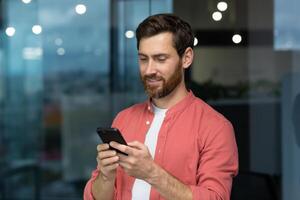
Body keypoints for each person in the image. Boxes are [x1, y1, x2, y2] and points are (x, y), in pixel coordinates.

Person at [84, 13, 238, 200]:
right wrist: (106, 177)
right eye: (143, 59)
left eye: (161, 59)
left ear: (187, 58)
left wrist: (151, 173)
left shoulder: (216, 127)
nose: (149, 70)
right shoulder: (123, 119)